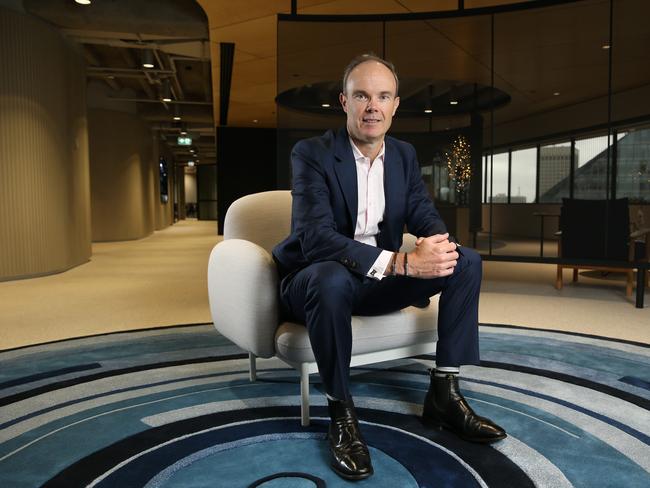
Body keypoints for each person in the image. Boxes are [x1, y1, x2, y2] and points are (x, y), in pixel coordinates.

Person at [272, 53, 506, 481]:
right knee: (330, 276)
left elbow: (420, 209)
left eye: (382, 96)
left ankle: (444, 393)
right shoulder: (312, 154)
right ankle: (341, 415)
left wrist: (436, 246)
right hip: (314, 281)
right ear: (344, 102)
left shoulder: (403, 154)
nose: (372, 106)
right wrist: (401, 262)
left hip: (373, 282)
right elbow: (315, 237)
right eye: (361, 95)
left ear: (396, 105)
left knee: (465, 259)